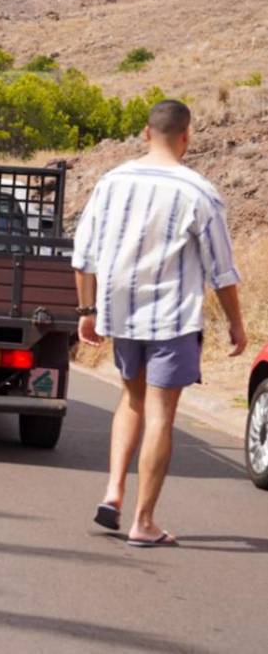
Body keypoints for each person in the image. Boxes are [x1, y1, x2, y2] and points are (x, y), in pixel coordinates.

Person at [72, 99, 246, 549]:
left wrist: (86, 312)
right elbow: (221, 270)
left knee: (130, 400)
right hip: (172, 319)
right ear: (187, 137)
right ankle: (143, 521)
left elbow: (84, 254)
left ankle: (113, 492)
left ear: (146, 133)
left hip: (122, 315)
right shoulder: (198, 191)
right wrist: (236, 325)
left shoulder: (112, 182)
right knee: (160, 416)